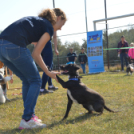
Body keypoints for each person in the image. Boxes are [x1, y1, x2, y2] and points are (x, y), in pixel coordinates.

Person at [0, 8, 67, 129]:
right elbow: (36, 54)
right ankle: (27, 118)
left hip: (1, 48)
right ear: (58, 18)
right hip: (14, 46)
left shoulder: (38, 22)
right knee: (36, 80)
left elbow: (32, 44)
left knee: (27, 80)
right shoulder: (48, 27)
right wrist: (48, 71)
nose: (61, 28)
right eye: (62, 24)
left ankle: (30, 116)